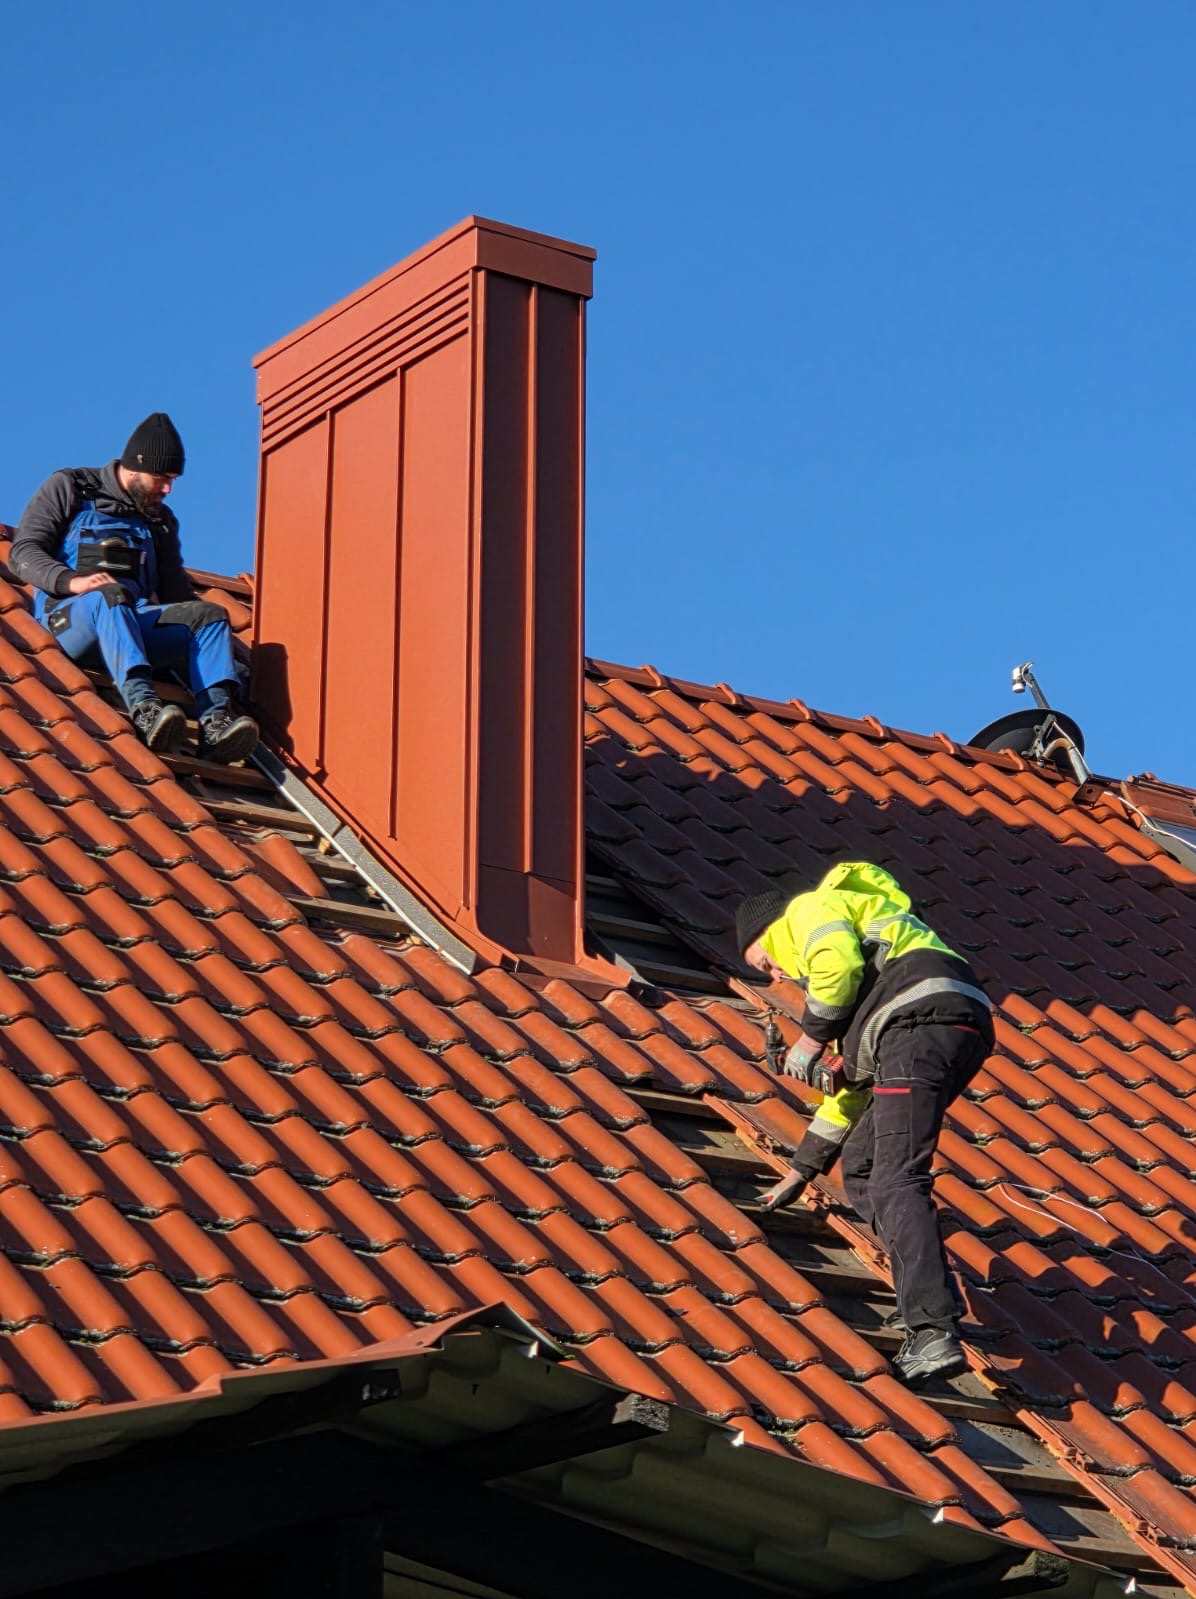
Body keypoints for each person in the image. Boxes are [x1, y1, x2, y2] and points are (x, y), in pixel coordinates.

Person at [735, 861, 994, 1385]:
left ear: (768, 932)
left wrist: (809, 1039)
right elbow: (853, 1094)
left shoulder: (807, 912)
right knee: (865, 1163)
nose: (776, 975)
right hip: (951, 1021)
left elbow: (835, 965)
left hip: (918, 1023)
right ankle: (919, 1296)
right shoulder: (872, 986)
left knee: (896, 1176)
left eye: (764, 962)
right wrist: (802, 1168)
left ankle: (931, 1330)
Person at [10, 413, 258, 763]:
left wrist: (230, 658)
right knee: (109, 595)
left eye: (173, 479)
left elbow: (176, 597)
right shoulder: (71, 487)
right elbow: (22, 553)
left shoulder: (160, 521)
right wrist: (73, 581)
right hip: (70, 621)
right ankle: (145, 709)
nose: (168, 489)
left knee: (208, 615)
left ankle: (215, 724)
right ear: (134, 467)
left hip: (132, 624)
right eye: (161, 477)